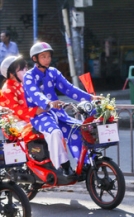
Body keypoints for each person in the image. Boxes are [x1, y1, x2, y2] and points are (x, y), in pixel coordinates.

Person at [23, 42, 101, 177]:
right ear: (35, 58)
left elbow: (69, 88)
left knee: (78, 130)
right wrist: (49, 103)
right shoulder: (28, 76)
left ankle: (85, 164)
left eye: (48, 56)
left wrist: (90, 98)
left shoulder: (53, 72)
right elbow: (35, 94)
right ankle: (63, 167)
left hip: (58, 113)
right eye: (43, 57)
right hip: (40, 116)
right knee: (55, 133)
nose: (47, 60)